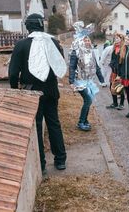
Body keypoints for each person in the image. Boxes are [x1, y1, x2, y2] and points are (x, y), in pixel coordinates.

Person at [9, 13, 67, 173]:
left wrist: (15, 91)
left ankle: (41, 165)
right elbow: (59, 65)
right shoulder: (53, 42)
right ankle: (60, 160)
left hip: (32, 91)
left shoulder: (21, 45)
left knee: (37, 127)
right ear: (42, 25)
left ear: (28, 27)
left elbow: (13, 73)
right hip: (51, 88)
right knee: (54, 123)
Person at [69, 22, 105, 131]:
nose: (87, 41)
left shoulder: (92, 52)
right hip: (80, 81)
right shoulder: (76, 52)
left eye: (88, 39)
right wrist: (71, 81)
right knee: (88, 100)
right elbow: (72, 66)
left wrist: (102, 80)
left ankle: (84, 120)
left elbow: (96, 67)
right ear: (80, 42)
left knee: (88, 101)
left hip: (89, 81)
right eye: (85, 40)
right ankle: (81, 122)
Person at [101, 33, 125, 110]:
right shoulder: (114, 48)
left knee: (120, 87)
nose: (116, 40)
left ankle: (121, 104)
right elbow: (113, 59)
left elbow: (123, 61)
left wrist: (120, 73)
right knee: (112, 87)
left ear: (121, 39)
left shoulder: (124, 48)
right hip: (114, 71)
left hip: (121, 72)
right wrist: (111, 65)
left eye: (118, 38)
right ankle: (114, 103)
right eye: (115, 38)